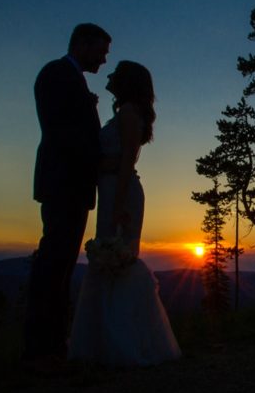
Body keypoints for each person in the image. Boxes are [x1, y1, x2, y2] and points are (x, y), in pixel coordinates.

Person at [68, 60, 181, 367]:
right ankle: (105, 340)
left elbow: (127, 159)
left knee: (117, 258)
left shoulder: (130, 113)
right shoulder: (124, 112)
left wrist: (118, 206)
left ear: (127, 81)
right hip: (112, 191)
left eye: (116, 73)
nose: (110, 75)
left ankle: (124, 342)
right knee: (110, 259)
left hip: (121, 193)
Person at [23, 23, 111, 374]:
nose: (104, 60)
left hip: (72, 184)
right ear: (82, 43)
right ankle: (38, 349)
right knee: (52, 264)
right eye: (101, 51)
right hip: (63, 182)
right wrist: (98, 161)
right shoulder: (56, 74)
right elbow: (62, 133)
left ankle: (53, 345)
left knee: (60, 266)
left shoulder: (71, 79)